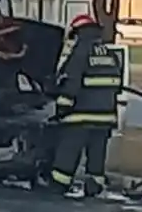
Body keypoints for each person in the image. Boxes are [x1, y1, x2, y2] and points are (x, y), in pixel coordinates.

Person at [47, 13, 124, 198]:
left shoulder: (80, 52)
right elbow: (116, 84)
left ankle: (59, 185)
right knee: (97, 155)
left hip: (80, 116)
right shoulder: (108, 53)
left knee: (69, 151)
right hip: (105, 117)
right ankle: (94, 187)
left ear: (78, 33)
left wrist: (62, 107)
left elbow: (71, 82)